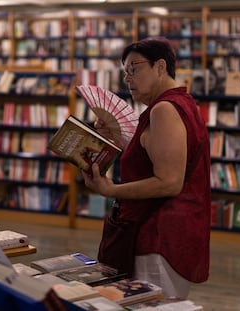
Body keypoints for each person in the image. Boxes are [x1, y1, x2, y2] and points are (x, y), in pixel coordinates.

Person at [81, 37, 211, 299]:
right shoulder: (180, 103)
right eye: (124, 71)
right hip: (169, 233)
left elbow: (169, 181)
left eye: (134, 68)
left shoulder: (163, 109)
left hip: (158, 235)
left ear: (160, 67)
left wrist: (110, 188)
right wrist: (118, 138)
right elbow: (157, 156)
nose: (127, 79)